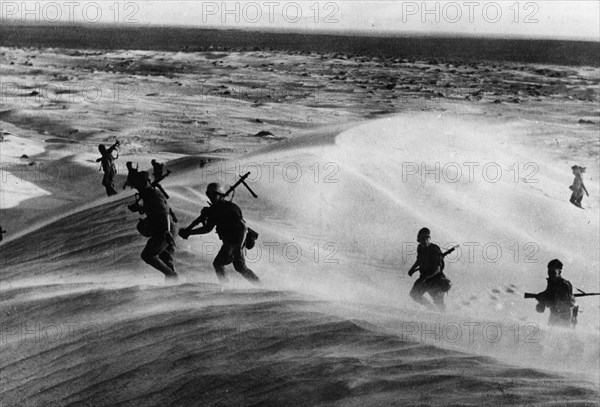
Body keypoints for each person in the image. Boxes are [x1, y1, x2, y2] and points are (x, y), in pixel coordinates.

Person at [179, 182, 259, 284]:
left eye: (214, 194)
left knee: (218, 263)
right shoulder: (213, 210)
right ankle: (259, 285)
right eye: (209, 194)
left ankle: (225, 286)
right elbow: (207, 228)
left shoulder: (231, 207)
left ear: (221, 195)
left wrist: (238, 247)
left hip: (236, 239)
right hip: (229, 240)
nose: (211, 197)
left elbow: (243, 227)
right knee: (240, 267)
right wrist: (190, 232)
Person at [128, 170, 178, 281]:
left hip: (166, 228)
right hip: (166, 228)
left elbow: (164, 213)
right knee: (165, 259)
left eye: (138, 184)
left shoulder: (153, 194)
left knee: (147, 255)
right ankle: (173, 286)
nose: (136, 187)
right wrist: (139, 208)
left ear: (146, 182)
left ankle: (172, 276)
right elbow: (154, 210)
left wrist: (167, 232)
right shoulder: (148, 194)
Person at [407, 227, 448, 312]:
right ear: (419, 240)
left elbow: (437, 269)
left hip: (436, 280)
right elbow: (420, 260)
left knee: (439, 304)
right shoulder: (420, 248)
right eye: (422, 239)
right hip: (425, 278)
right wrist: (413, 269)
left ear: (429, 238)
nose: (425, 240)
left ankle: (444, 318)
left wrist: (425, 278)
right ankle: (431, 308)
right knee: (414, 294)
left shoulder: (434, 249)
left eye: (427, 238)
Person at [535, 259, 575, 327]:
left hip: (563, 316)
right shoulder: (552, 283)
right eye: (549, 270)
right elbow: (548, 295)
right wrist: (541, 300)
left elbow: (563, 303)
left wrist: (545, 300)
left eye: (553, 271)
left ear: (559, 272)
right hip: (554, 314)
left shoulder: (564, 285)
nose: (550, 273)